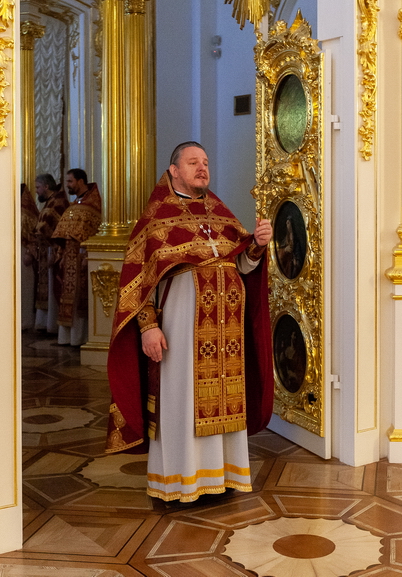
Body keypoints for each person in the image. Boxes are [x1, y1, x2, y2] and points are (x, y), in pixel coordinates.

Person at [105, 141, 274, 503]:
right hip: (181, 332)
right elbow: (138, 284)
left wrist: (257, 246)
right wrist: (148, 327)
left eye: (206, 162)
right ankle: (182, 482)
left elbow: (242, 266)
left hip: (227, 333)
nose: (202, 168)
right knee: (182, 401)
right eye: (193, 162)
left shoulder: (221, 214)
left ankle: (224, 476)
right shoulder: (155, 221)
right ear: (174, 171)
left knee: (226, 398)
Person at [52, 168, 102, 346]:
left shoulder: (92, 204)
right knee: (67, 297)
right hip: (69, 258)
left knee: (79, 298)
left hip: (81, 258)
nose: (67, 185)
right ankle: (67, 337)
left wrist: (86, 254)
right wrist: (61, 255)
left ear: (81, 181)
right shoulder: (75, 204)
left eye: (70, 181)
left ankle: (79, 337)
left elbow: (92, 231)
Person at [31, 174, 69, 333]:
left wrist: (54, 248)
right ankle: (45, 323)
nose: (36, 191)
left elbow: (58, 229)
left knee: (53, 286)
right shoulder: (50, 202)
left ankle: (52, 324)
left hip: (53, 250)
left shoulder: (58, 202)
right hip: (44, 251)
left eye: (38, 187)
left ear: (46, 186)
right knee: (44, 287)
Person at [20, 184, 39, 331]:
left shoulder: (27, 213)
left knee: (25, 288)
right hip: (13, 252)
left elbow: (34, 235)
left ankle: (25, 321)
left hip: (24, 253)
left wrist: (29, 253)